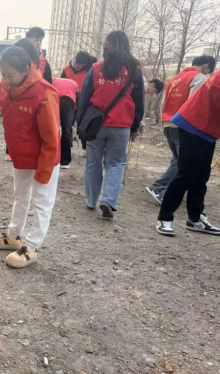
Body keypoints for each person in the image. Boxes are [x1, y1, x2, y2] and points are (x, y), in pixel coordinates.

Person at [0, 46, 60, 269]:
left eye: (10, 75)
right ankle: (14, 236)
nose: (6, 80)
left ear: (26, 70)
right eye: (3, 74)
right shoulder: (7, 85)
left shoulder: (45, 93)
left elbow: (51, 140)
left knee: (41, 202)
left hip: (44, 159)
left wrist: (44, 173)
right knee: (20, 196)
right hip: (21, 156)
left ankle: (31, 247)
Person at [77, 31, 145, 220]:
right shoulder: (134, 70)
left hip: (95, 125)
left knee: (93, 162)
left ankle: (91, 201)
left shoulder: (96, 68)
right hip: (121, 125)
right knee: (116, 163)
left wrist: (80, 123)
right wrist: (135, 126)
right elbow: (139, 101)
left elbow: (85, 98)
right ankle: (108, 200)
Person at [156, 70, 220, 237]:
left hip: (209, 130)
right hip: (193, 124)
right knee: (186, 174)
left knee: (201, 176)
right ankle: (164, 218)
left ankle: (195, 218)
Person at [146, 56, 216, 204]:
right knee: (182, 161)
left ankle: (172, 192)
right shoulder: (199, 79)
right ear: (206, 66)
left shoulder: (176, 79)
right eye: (209, 71)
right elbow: (195, 104)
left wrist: (163, 122)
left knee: (177, 159)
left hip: (169, 123)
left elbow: (163, 103)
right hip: (184, 126)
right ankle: (158, 187)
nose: (208, 74)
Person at [53, 78, 80, 168]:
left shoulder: (53, 80)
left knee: (51, 129)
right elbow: (78, 104)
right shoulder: (74, 84)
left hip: (53, 99)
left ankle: (52, 157)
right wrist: (71, 124)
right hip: (68, 101)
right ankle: (65, 161)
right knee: (66, 130)